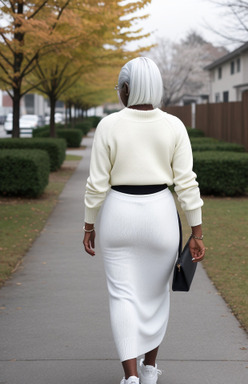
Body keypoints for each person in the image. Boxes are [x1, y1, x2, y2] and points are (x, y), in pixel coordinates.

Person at [83, 57, 205, 384]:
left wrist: (88, 224)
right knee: (155, 295)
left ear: (125, 89)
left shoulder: (108, 125)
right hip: (160, 215)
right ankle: (149, 370)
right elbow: (187, 183)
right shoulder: (173, 125)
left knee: (122, 295)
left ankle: (131, 377)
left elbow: (96, 183)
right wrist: (197, 231)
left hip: (118, 214)